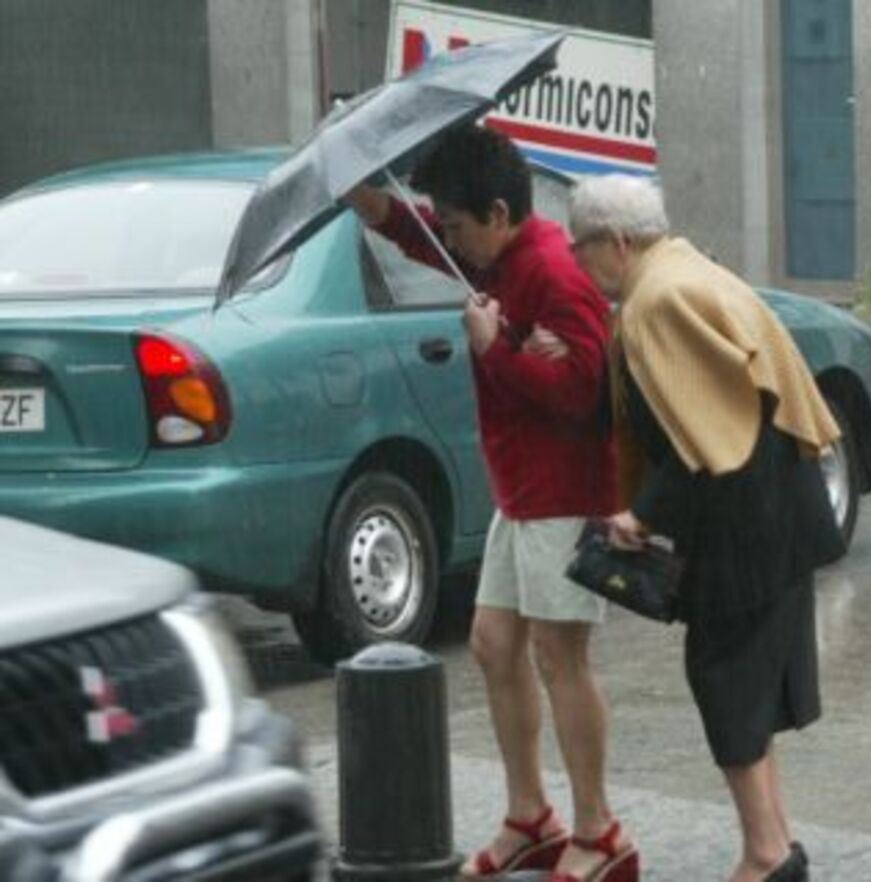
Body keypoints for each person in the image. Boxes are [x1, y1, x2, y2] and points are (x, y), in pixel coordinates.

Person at [346, 127, 638, 882]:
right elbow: (430, 240)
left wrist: (494, 350)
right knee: (492, 643)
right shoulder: (497, 250)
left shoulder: (550, 272)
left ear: (499, 212)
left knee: (557, 656)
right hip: (521, 492)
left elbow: (584, 395)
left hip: (564, 494)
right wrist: (375, 207)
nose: (446, 238)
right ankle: (529, 815)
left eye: (455, 224)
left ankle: (600, 830)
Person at [568, 175, 845, 882]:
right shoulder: (686, 269)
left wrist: (641, 514)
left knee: (723, 677)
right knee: (745, 679)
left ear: (618, 242)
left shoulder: (655, 302)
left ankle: (764, 853)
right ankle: (775, 843)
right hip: (775, 508)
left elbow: (709, 434)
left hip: (746, 524)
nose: (578, 261)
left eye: (583, 247)